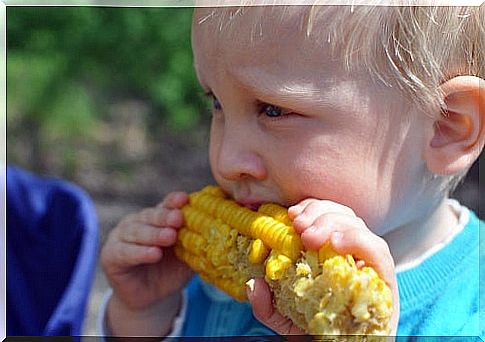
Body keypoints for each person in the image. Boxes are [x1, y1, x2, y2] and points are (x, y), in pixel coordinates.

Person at [99, 4, 484, 338]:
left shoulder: (471, 315)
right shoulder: (211, 283)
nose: (226, 160)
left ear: (445, 127)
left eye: (273, 110)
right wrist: (144, 315)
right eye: (216, 103)